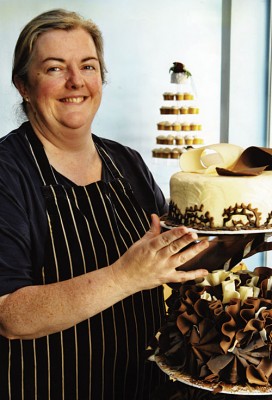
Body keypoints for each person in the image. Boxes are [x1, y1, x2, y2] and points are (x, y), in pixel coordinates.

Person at [0, 9, 209, 400]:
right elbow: (9, 314)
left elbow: (172, 257)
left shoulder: (127, 161)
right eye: (54, 68)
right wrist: (125, 276)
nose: (76, 81)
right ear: (23, 85)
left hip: (146, 388)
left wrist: (246, 238)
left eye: (88, 66)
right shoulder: (8, 174)